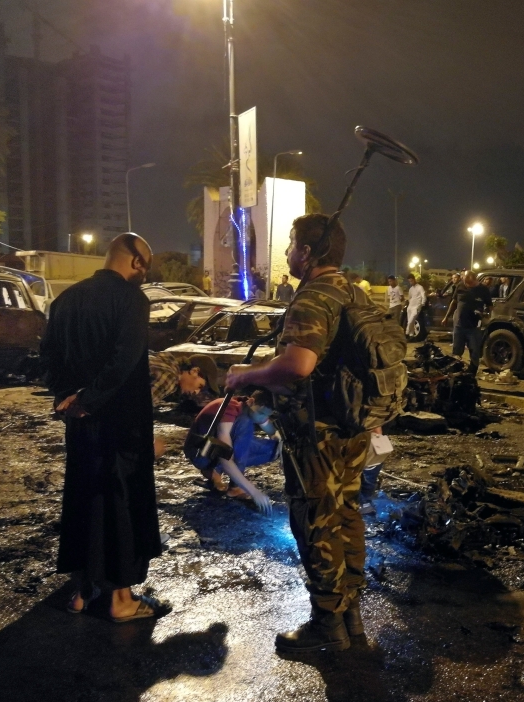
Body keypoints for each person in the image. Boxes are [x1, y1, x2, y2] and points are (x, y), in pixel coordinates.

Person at [226, 213, 372, 655]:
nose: (288, 251)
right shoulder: (354, 294)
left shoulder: (313, 297)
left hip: (318, 435)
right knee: (347, 515)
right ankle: (351, 617)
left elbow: (298, 365)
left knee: (317, 523)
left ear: (307, 253)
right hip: (355, 428)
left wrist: (244, 374)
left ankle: (327, 625)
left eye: (291, 244)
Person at [39, 232, 170, 622]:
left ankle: (81, 592)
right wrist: (89, 400)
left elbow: (47, 357)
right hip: (121, 425)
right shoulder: (131, 299)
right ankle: (120, 600)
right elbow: (124, 361)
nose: (145, 272)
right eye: (145, 263)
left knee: (83, 499)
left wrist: (68, 397)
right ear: (135, 261)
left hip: (79, 424)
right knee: (119, 505)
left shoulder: (65, 300)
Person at [183, 389, 278, 514]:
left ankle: (215, 470)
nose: (263, 418)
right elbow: (225, 456)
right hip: (201, 453)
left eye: (267, 415)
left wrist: (280, 442)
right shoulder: (230, 409)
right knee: (246, 423)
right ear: (251, 401)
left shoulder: (249, 408)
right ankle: (235, 487)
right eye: (261, 413)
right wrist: (253, 491)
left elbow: (273, 432)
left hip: (215, 450)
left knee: (274, 449)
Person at [442, 272, 492, 374]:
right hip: (459, 325)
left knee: (474, 352)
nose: (466, 285)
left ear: (474, 280)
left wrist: (485, 314)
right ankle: (455, 374)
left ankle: (471, 374)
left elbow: (490, 307)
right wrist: (446, 317)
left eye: (468, 283)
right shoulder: (460, 285)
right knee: (456, 352)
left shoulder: (483, 290)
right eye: (465, 282)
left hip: (473, 327)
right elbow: (454, 302)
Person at [148, 352, 219, 408]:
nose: (196, 392)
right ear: (194, 371)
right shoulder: (170, 378)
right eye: (200, 386)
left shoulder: (164, 360)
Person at [405, 273, 427, 339]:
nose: (411, 282)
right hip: (410, 307)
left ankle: (406, 334)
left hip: (416, 307)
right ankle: (411, 336)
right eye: (409, 281)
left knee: (410, 321)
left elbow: (424, 296)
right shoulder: (411, 289)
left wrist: (422, 304)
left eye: (411, 281)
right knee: (410, 322)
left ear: (414, 279)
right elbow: (409, 297)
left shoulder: (420, 287)